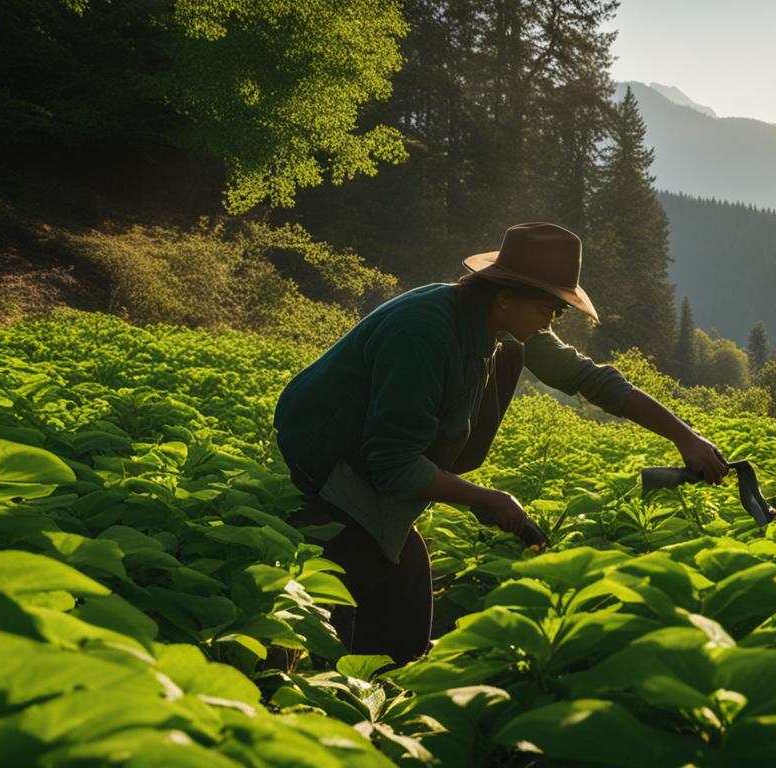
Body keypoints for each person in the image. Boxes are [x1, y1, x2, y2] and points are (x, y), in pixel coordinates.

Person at [273, 221, 729, 664]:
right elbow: (392, 463)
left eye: (558, 312)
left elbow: (591, 379)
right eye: (546, 310)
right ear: (506, 295)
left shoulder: (505, 325)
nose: (551, 322)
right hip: (333, 479)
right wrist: (485, 498)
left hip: (375, 479)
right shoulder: (423, 333)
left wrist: (684, 436)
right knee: (319, 635)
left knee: (402, 624)